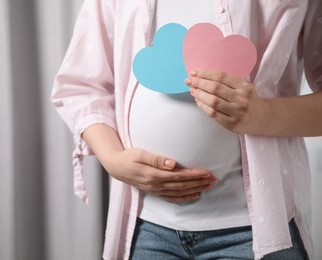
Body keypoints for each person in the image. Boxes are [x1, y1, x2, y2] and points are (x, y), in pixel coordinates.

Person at [51, 0, 322, 259]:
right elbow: (81, 86)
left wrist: (262, 114)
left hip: (253, 234)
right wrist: (111, 158)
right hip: (145, 227)